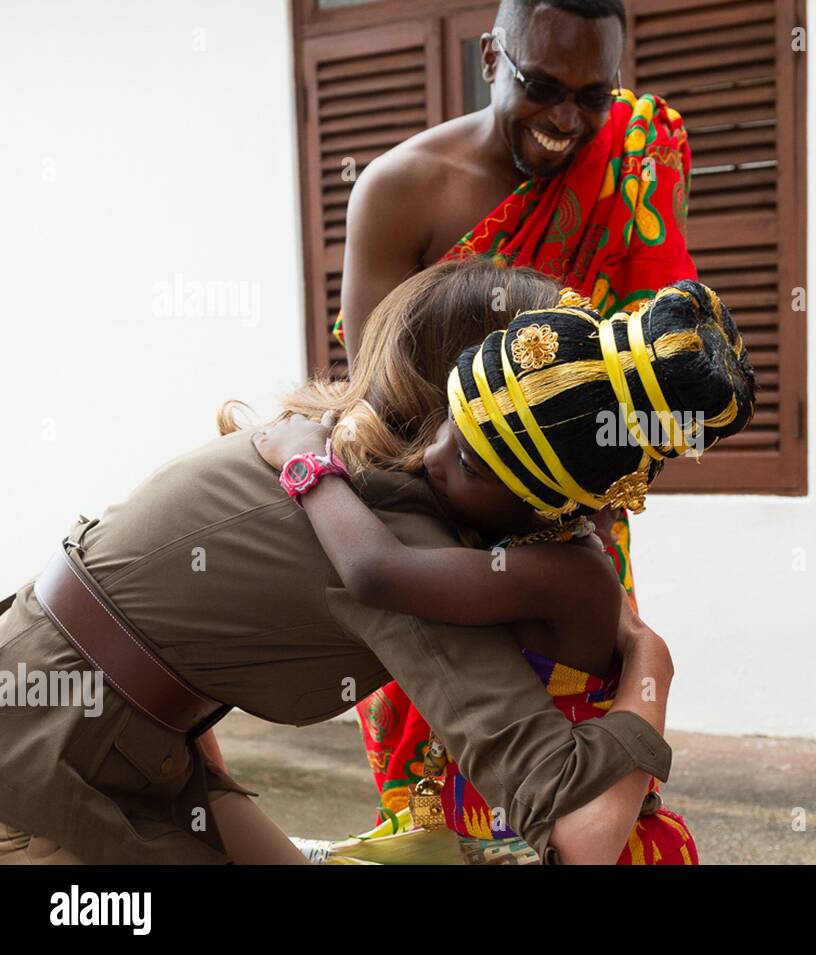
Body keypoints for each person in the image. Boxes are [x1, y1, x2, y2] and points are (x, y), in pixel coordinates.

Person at [0, 259, 674, 865]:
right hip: (48, 764)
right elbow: (583, 836)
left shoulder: (325, 452)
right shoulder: (394, 533)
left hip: (97, 729)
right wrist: (651, 662)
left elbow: (150, 623)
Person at [337, 0, 697, 812]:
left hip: (579, 532)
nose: (568, 120)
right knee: (439, 812)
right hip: (436, 531)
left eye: (594, 95)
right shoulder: (401, 192)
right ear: (492, 60)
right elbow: (375, 407)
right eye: (541, 86)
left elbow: (665, 361)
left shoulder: (636, 157)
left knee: (586, 788)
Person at [257, 280, 755, 863]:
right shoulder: (525, 541)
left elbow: (376, 572)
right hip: (471, 816)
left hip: (535, 836)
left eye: (470, 463)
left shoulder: (563, 576)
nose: (434, 457)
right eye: (449, 423)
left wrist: (307, 463)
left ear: (545, 502)